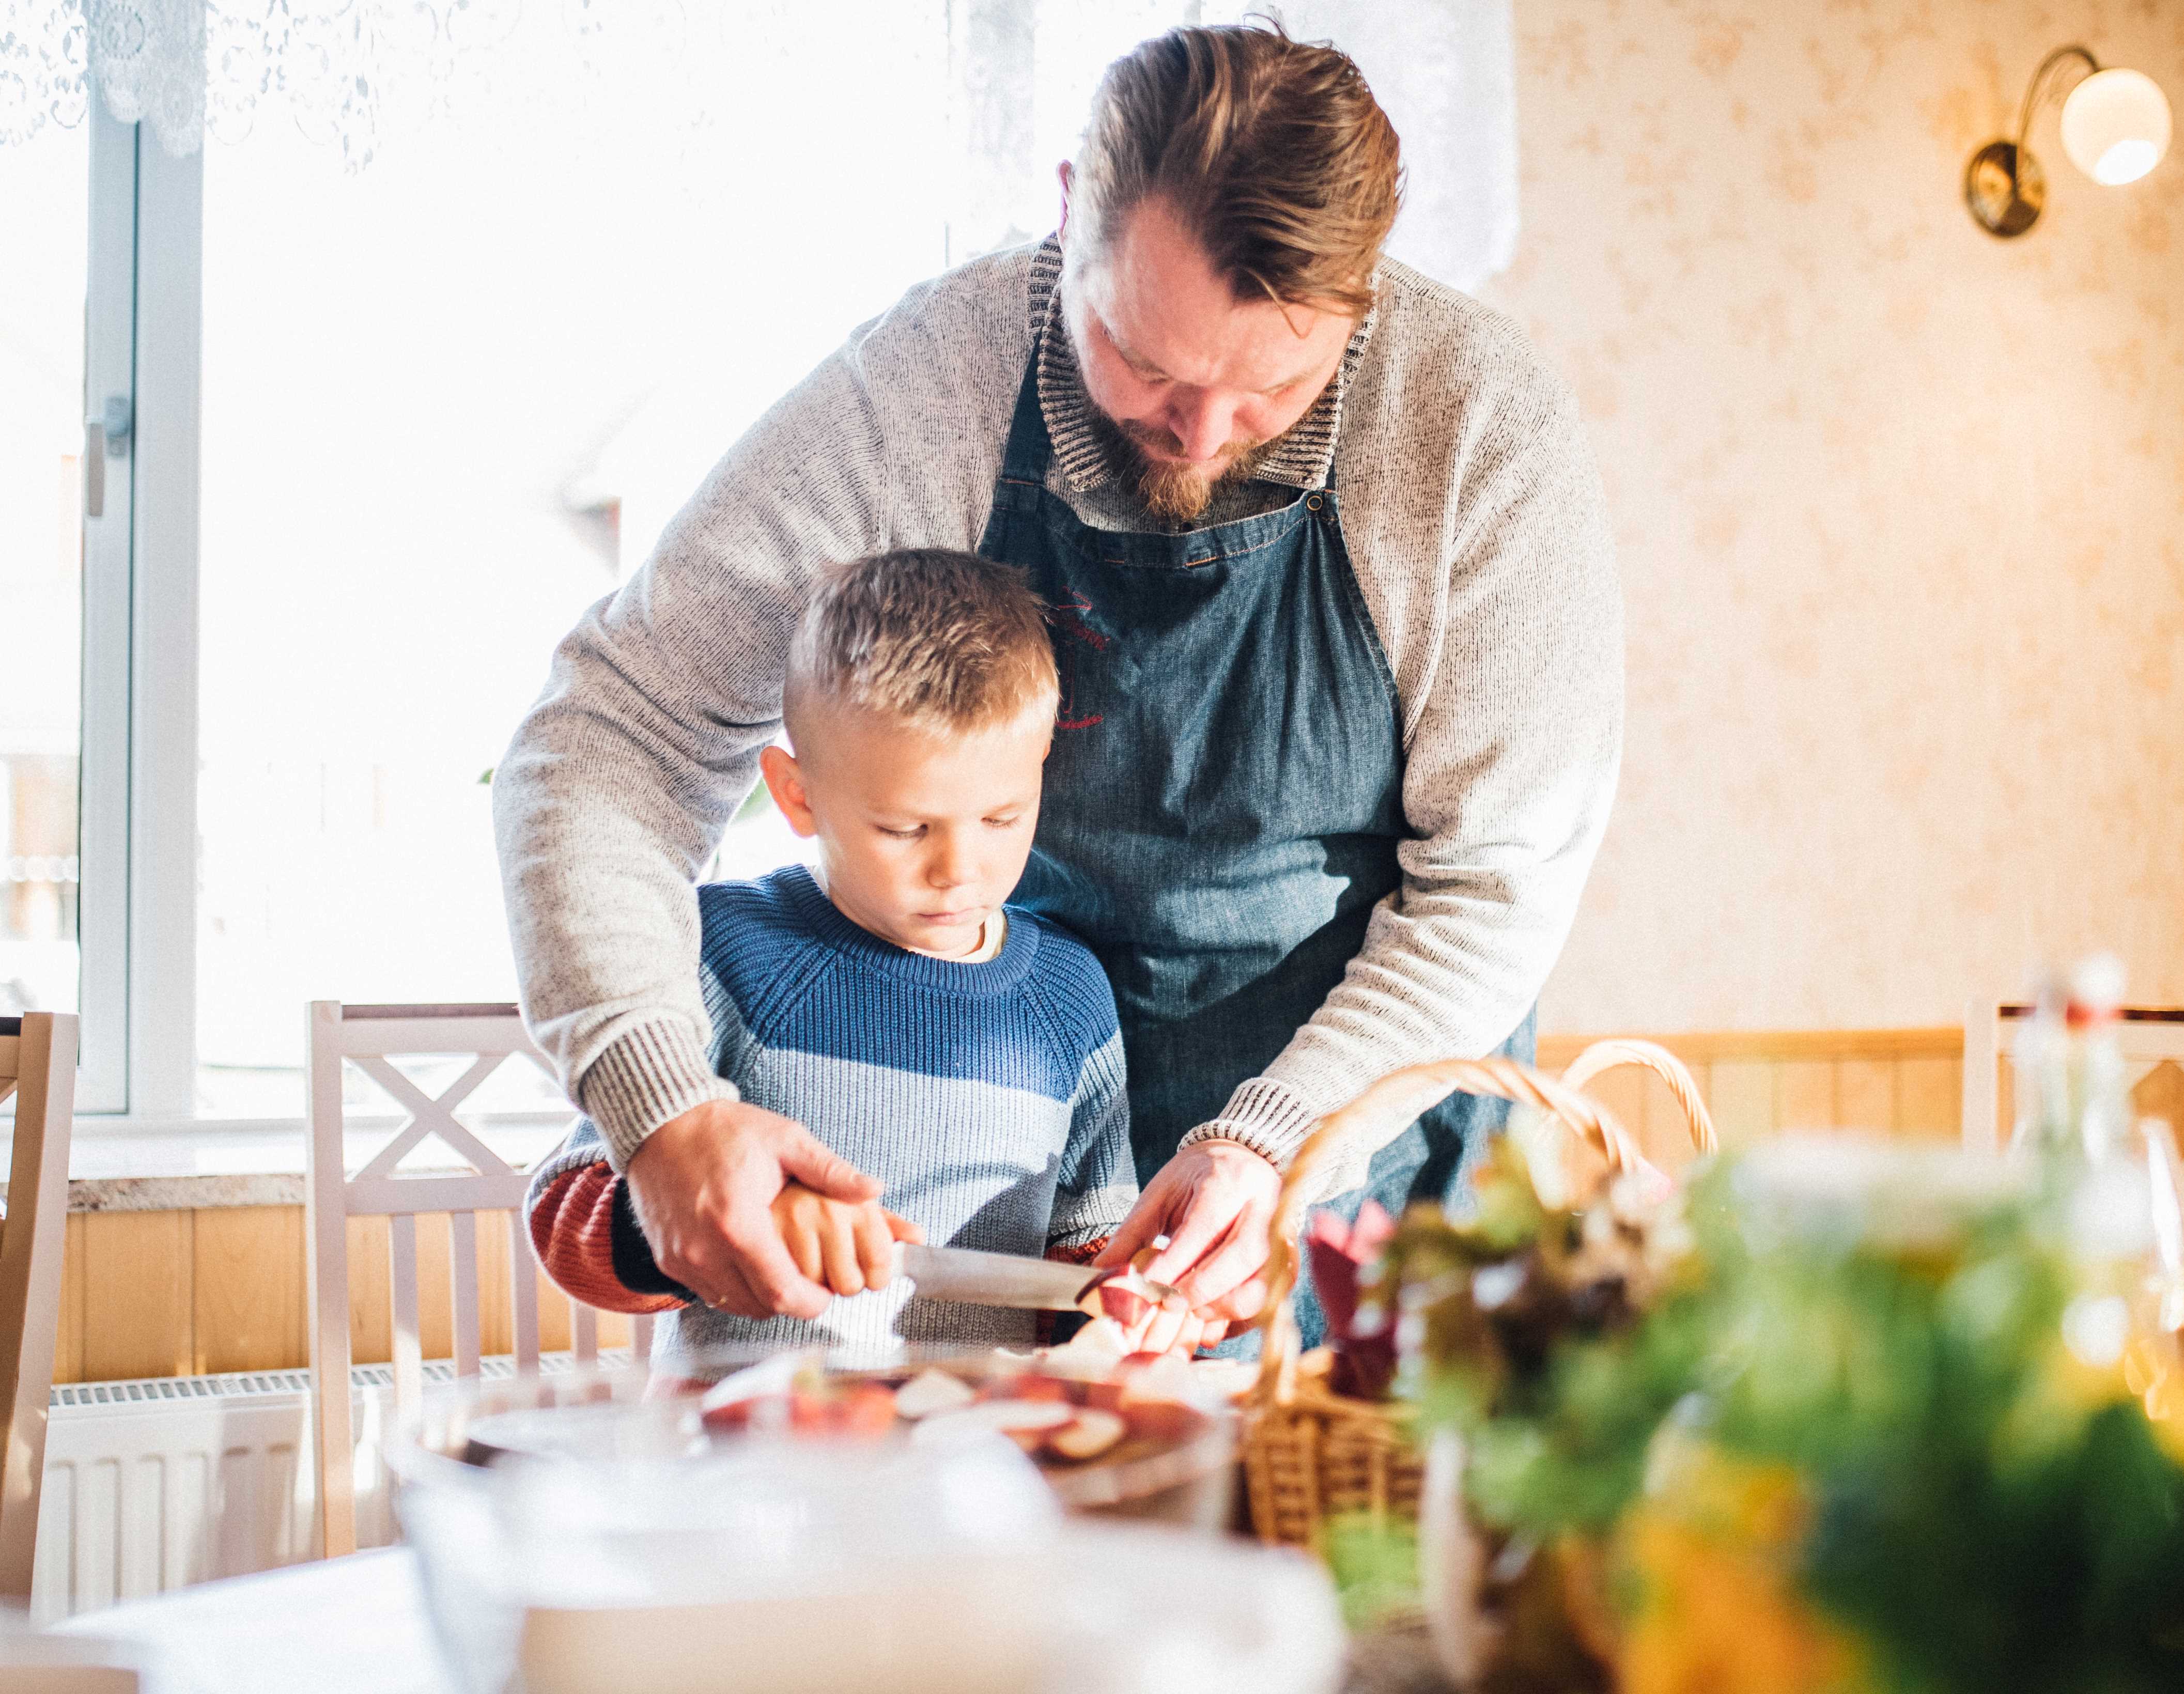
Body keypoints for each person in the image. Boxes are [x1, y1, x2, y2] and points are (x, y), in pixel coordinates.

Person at [495, 23, 1622, 1344]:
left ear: (1363, 296)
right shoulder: (928, 385)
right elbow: (614, 733)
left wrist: (1274, 1136)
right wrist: (664, 1108)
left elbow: (1495, 882)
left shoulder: (1478, 424)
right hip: (1025, 1140)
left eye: (1269, 388)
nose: (1197, 437)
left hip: (1381, 1176)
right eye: (1144, 362)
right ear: (1073, 209)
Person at [522, 549, 1200, 1362]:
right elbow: (566, 1224)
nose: (960, 870)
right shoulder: (724, 952)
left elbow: (1087, 1250)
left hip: (975, 1464)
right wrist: (727, 1210)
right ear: (796, 795)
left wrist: (1129, 1311)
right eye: (906, 829)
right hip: (751, 1468)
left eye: (1001, 818)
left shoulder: (1069, 995)